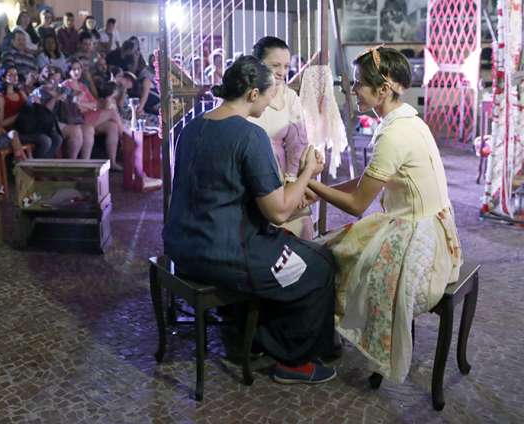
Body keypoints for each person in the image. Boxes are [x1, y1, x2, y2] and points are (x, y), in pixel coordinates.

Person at [163, 55, 337, 384]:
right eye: (271, 94)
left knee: (293, 252)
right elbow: (279, 211)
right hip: (224, 254)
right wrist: (308, 173)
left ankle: (254, 336)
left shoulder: (192, 126)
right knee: (319, 264)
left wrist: (294, 187)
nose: (274, 101)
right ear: (253, 95)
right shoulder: (249, 136)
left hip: (182, 246)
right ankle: (293, 360)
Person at [306, 46, 463, 384]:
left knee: (329, 256)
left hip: (418, 235)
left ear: (383, 89)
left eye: (359, 83)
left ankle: (320, 342)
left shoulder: (393, 134)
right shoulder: (407, 120)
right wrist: (315, 186)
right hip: (428, 223)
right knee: (334, 247)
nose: (352, 90)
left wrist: (310, 184)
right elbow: (368, 182)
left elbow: (357, 204)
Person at [249, 37, 313, 240]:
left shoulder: (289, 97)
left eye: (286, 66)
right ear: (257, 64)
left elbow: (297, 145)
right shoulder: (243, 94)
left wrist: (292, 182)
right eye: (275, 65)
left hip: (280, 172)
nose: (282, 72)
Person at [61, 60, 123, 170]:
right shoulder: (65, 85)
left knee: (112, 126)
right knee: (112, 112)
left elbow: (94, 103)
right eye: (73, 69)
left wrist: (86, 104)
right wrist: (87, 105)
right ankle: (125, 138)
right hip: (78, 117)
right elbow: (75, 105)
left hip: (90, 114)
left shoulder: (82, 86)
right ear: (68, 71)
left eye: (78, 69)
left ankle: (112, 162)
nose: (76, 72)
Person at [0, 66, 59, 159]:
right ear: (3, 78)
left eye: (16, 74)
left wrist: (34, 103)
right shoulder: (0, 97)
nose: (15, 77)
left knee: (56, 137)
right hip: (13, 131)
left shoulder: (21, 93)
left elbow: (28, 110)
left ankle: (46, 164)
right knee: (45, 140)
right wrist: (18, 115)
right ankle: (36, 166)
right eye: (11, 75)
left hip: (26, 127)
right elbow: (0, 123)